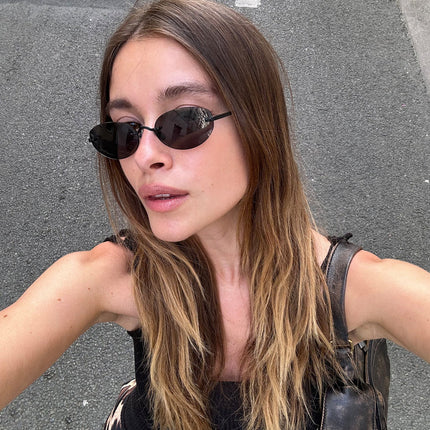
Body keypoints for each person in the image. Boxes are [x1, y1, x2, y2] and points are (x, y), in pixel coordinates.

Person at [0, 0, 429, 429]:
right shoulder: (117, 276)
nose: (144, 156)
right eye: (125, 130)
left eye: (184, 122)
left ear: (257, 122)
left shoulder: (354, 290)